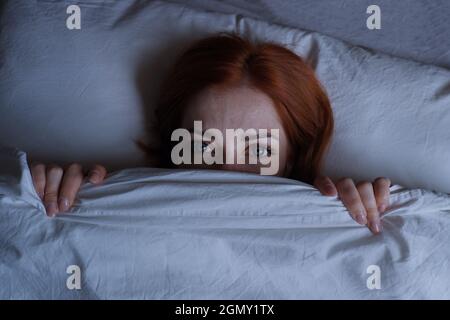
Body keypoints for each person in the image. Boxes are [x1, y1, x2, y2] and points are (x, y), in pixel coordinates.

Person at [29, 33, 390, 234]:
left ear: (293, 154)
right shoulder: (112, 202)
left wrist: (369, 212)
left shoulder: (329, 220)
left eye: (257, 151)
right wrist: (47, 197)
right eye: (203, 146)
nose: (226, 172)